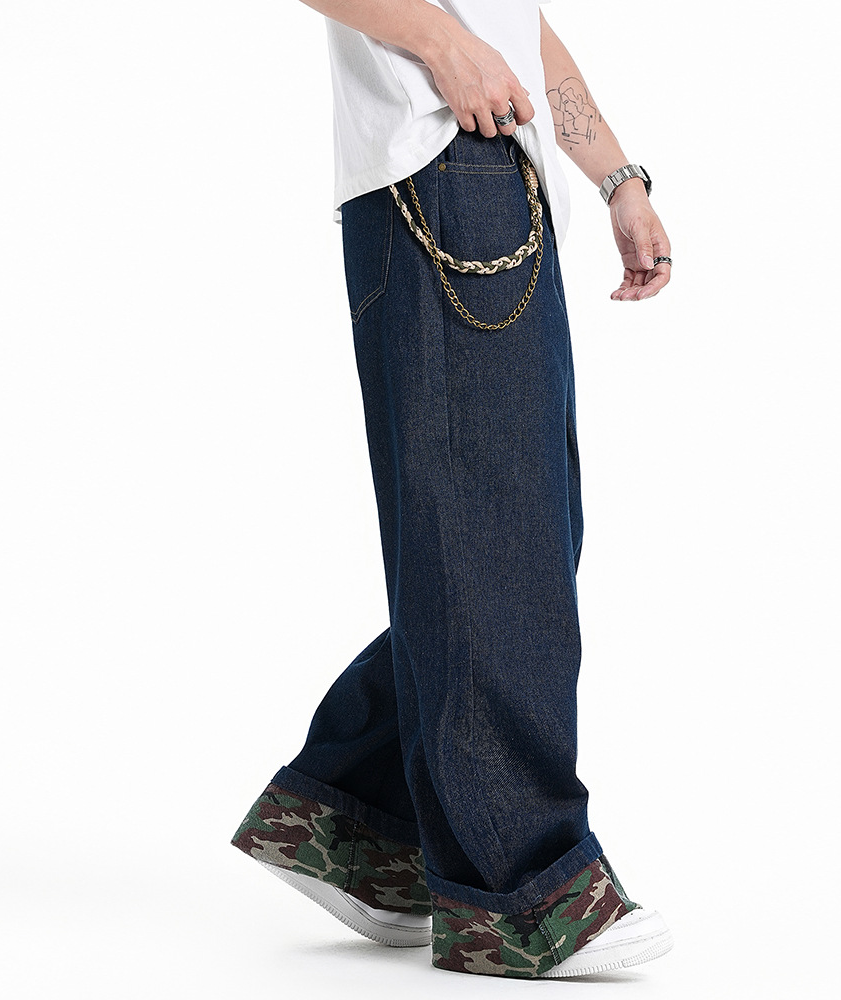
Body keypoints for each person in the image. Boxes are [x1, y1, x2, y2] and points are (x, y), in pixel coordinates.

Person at [231, 0, 674, 979]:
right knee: (493, 539)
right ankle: (520, 890)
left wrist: (618, 179)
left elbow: (522, 25)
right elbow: (473, 32)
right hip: (441, 161)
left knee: (523, 531)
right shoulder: (444, 82)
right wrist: (443, 44)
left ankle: (362, 822)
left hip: (501, 174)